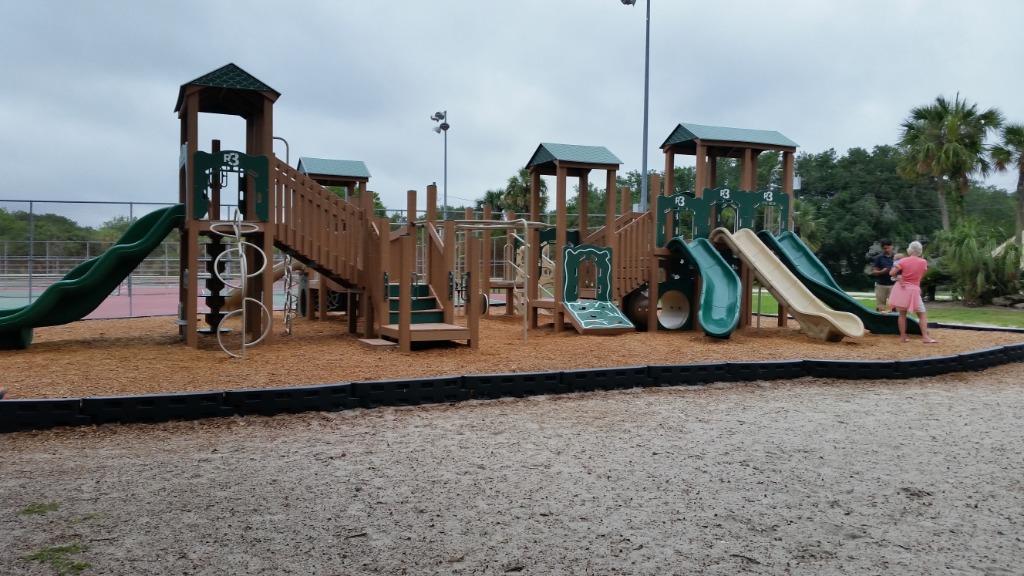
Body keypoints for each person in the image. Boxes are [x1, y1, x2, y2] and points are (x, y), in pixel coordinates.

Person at [888, 240, 937, 344]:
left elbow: (891, 273)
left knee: (902, 314)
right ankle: (925, 337)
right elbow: (921, 276)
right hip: (914, 289)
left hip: (902, 289)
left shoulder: (903, 261)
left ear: (910, 249)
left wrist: (899, 277)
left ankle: (903, 337)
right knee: (922, 314)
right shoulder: (923, 262)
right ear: (920, 251)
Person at [871, 238, 896, 313]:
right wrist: (882, 272)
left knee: (894, 306)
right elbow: (874, 271)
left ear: (891, 246)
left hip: (893, 284)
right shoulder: (879, 258)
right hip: (881, 284)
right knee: (880, 307)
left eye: (888, 248)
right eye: (884, 248)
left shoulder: (895, 257)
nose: (887, 250)